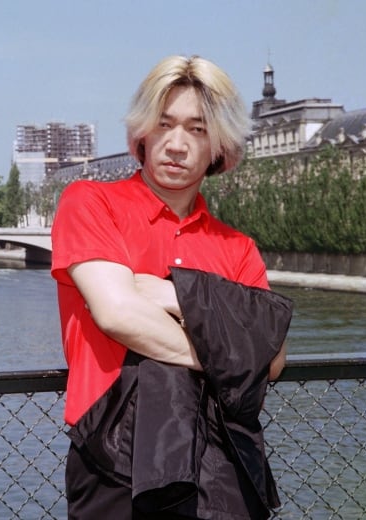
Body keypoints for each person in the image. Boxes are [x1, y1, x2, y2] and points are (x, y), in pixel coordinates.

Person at [51, 55, 289, 519]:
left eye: (197, 130)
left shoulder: (237, 246)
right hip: (116, 460)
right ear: (142, 133)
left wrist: (172, 295)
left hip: (222, 461)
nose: (177, 145)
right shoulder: (89, 202)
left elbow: (274, 360)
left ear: (220, 146)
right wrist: (232, 355)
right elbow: (118, 314)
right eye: (164, 125)